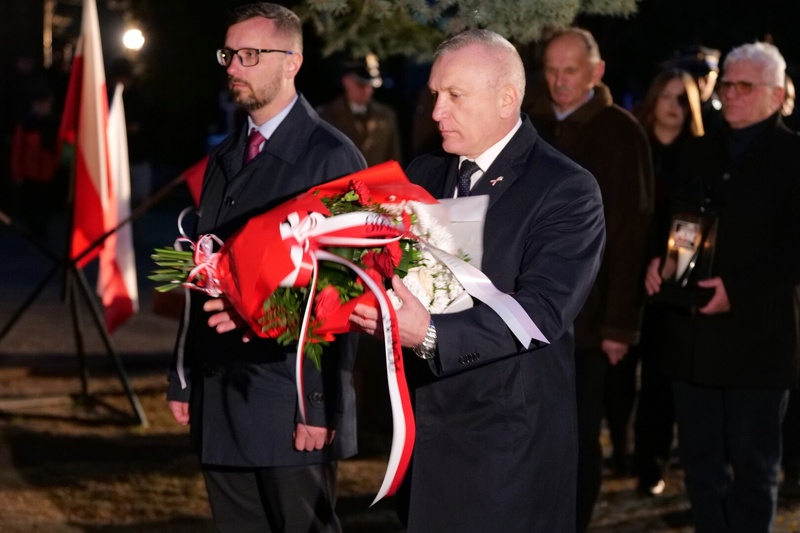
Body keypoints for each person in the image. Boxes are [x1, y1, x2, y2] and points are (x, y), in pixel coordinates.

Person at [350, 28, 606, 532]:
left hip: (506, 446)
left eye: (454, 95)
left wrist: (429, 334)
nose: (437, 111)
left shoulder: (565, 187)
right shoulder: (423, 173)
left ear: (506, 99)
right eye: (434, 95)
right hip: (425, 436)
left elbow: (543, 310)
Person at [166, 4, 366, 532]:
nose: (233, 66)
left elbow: (345, 289)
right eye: (229, 54)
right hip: (221, 393)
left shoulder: (330, 157)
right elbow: (204, 272)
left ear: (292, 62)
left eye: (250, 55)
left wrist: (318, 405)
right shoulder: (225, 156)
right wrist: (184, 376)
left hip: (286, 399)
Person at [645, 41, 800, 532]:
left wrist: (739, 289)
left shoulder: (794, 156)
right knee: (701, 468)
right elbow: (673, 223)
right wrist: (658, 261)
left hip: (759, 340)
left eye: (744, 86)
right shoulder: (698, 149)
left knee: (754, 470)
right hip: (693, 338)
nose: (730, 93)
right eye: (727, 84)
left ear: (777, 95)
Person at [527, 26, 654, 531]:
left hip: (589, 318)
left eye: (571, 70)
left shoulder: (620, 132)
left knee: (578, 435)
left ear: (596, 72)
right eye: (552, 70)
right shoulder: (530, 123)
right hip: (528, 309)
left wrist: (620, 325)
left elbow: (630, 233)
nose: (559, 81)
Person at [632, 68, 705, 496]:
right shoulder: (635, 145)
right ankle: (628, 450)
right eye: (667, 96)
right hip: (628, 268)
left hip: (672, 276)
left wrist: (670, 263)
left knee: (662, 375)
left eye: (683, 99)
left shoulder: (697, 155)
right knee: (623, 375)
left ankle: (653, 462)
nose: (674, 106)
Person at [317, 55, 402, 167]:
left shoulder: (386, 115)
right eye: (361, 84)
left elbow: (394, 161)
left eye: (370, 85)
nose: (367, 90)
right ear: (347, 81)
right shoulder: (325, 116)